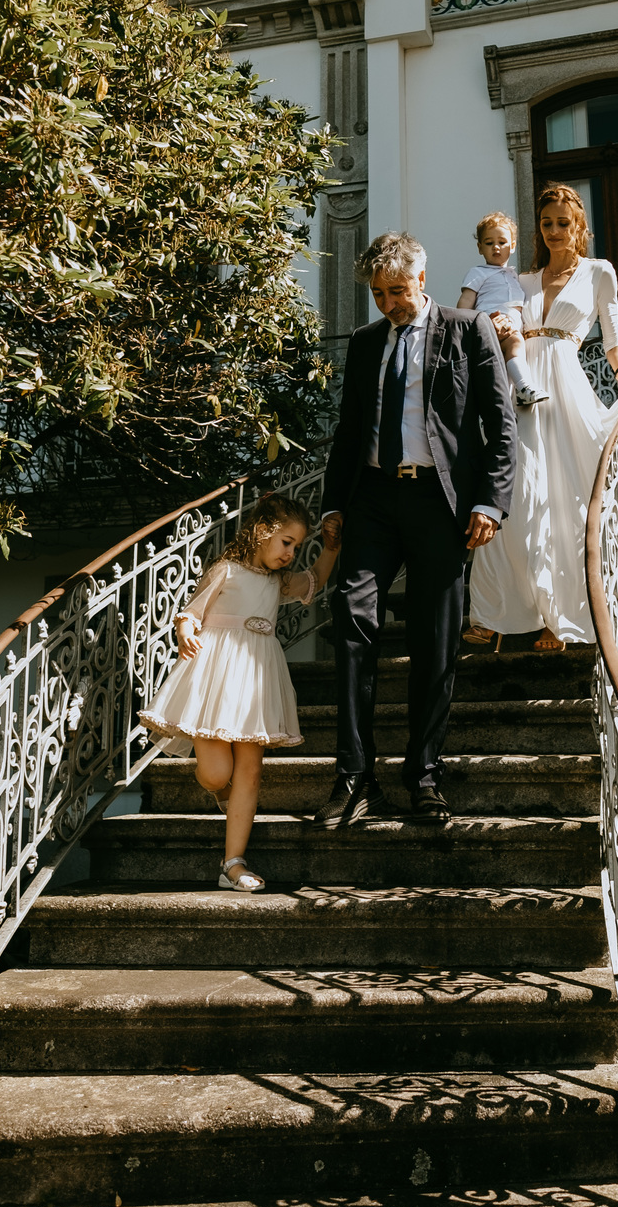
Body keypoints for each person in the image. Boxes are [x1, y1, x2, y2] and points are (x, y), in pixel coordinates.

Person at [314, 231, 517, 828]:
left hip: (439, 501)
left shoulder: (467, 330)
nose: (388, 304)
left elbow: (500, 425)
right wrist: (333, 505)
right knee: (352, 618)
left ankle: (424, 774)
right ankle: (354, 777)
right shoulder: (365, 342)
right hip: (373, 498)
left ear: (421, 280)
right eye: (378, 294)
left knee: (436, 638)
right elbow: (350, 431)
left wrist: (491, 503)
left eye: (397, 291)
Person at [465, 183, 618, 653]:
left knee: (568, 500)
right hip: (523, 389)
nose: (553, 231)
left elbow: (612, 335)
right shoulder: (521, 280)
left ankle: (561, 617)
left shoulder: (598, 272)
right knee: (517, 496)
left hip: (565, 387)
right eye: (546, 223)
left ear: (579, 225)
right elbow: (492, 316)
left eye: (562, 223)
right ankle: (494, 611)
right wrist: (496, 324)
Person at [140, 493, 340, 892]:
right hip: (215, 675)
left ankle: (233, 863)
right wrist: (185, 631)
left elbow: (314, 580)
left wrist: (332, 549)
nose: (291, 554)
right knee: (216, 773)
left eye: (296, 547)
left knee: (250, 769)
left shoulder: (279, 581)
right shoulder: (226, 570)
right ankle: (221, 791)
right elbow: (192, 611)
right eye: (286, 542)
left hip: (256, 677)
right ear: (262, 531)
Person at [457, 211, 549, 408]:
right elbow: (465, 303)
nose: (496, 247)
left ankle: (505, 405)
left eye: (502, 242)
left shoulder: (516, 277)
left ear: (513, 246)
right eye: (489, 243)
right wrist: (470, 330)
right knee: (515, 343)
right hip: (490, 325)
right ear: (480, 247)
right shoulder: (478, 272)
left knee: (505, 368)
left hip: (511, 327)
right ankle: (524, 388)